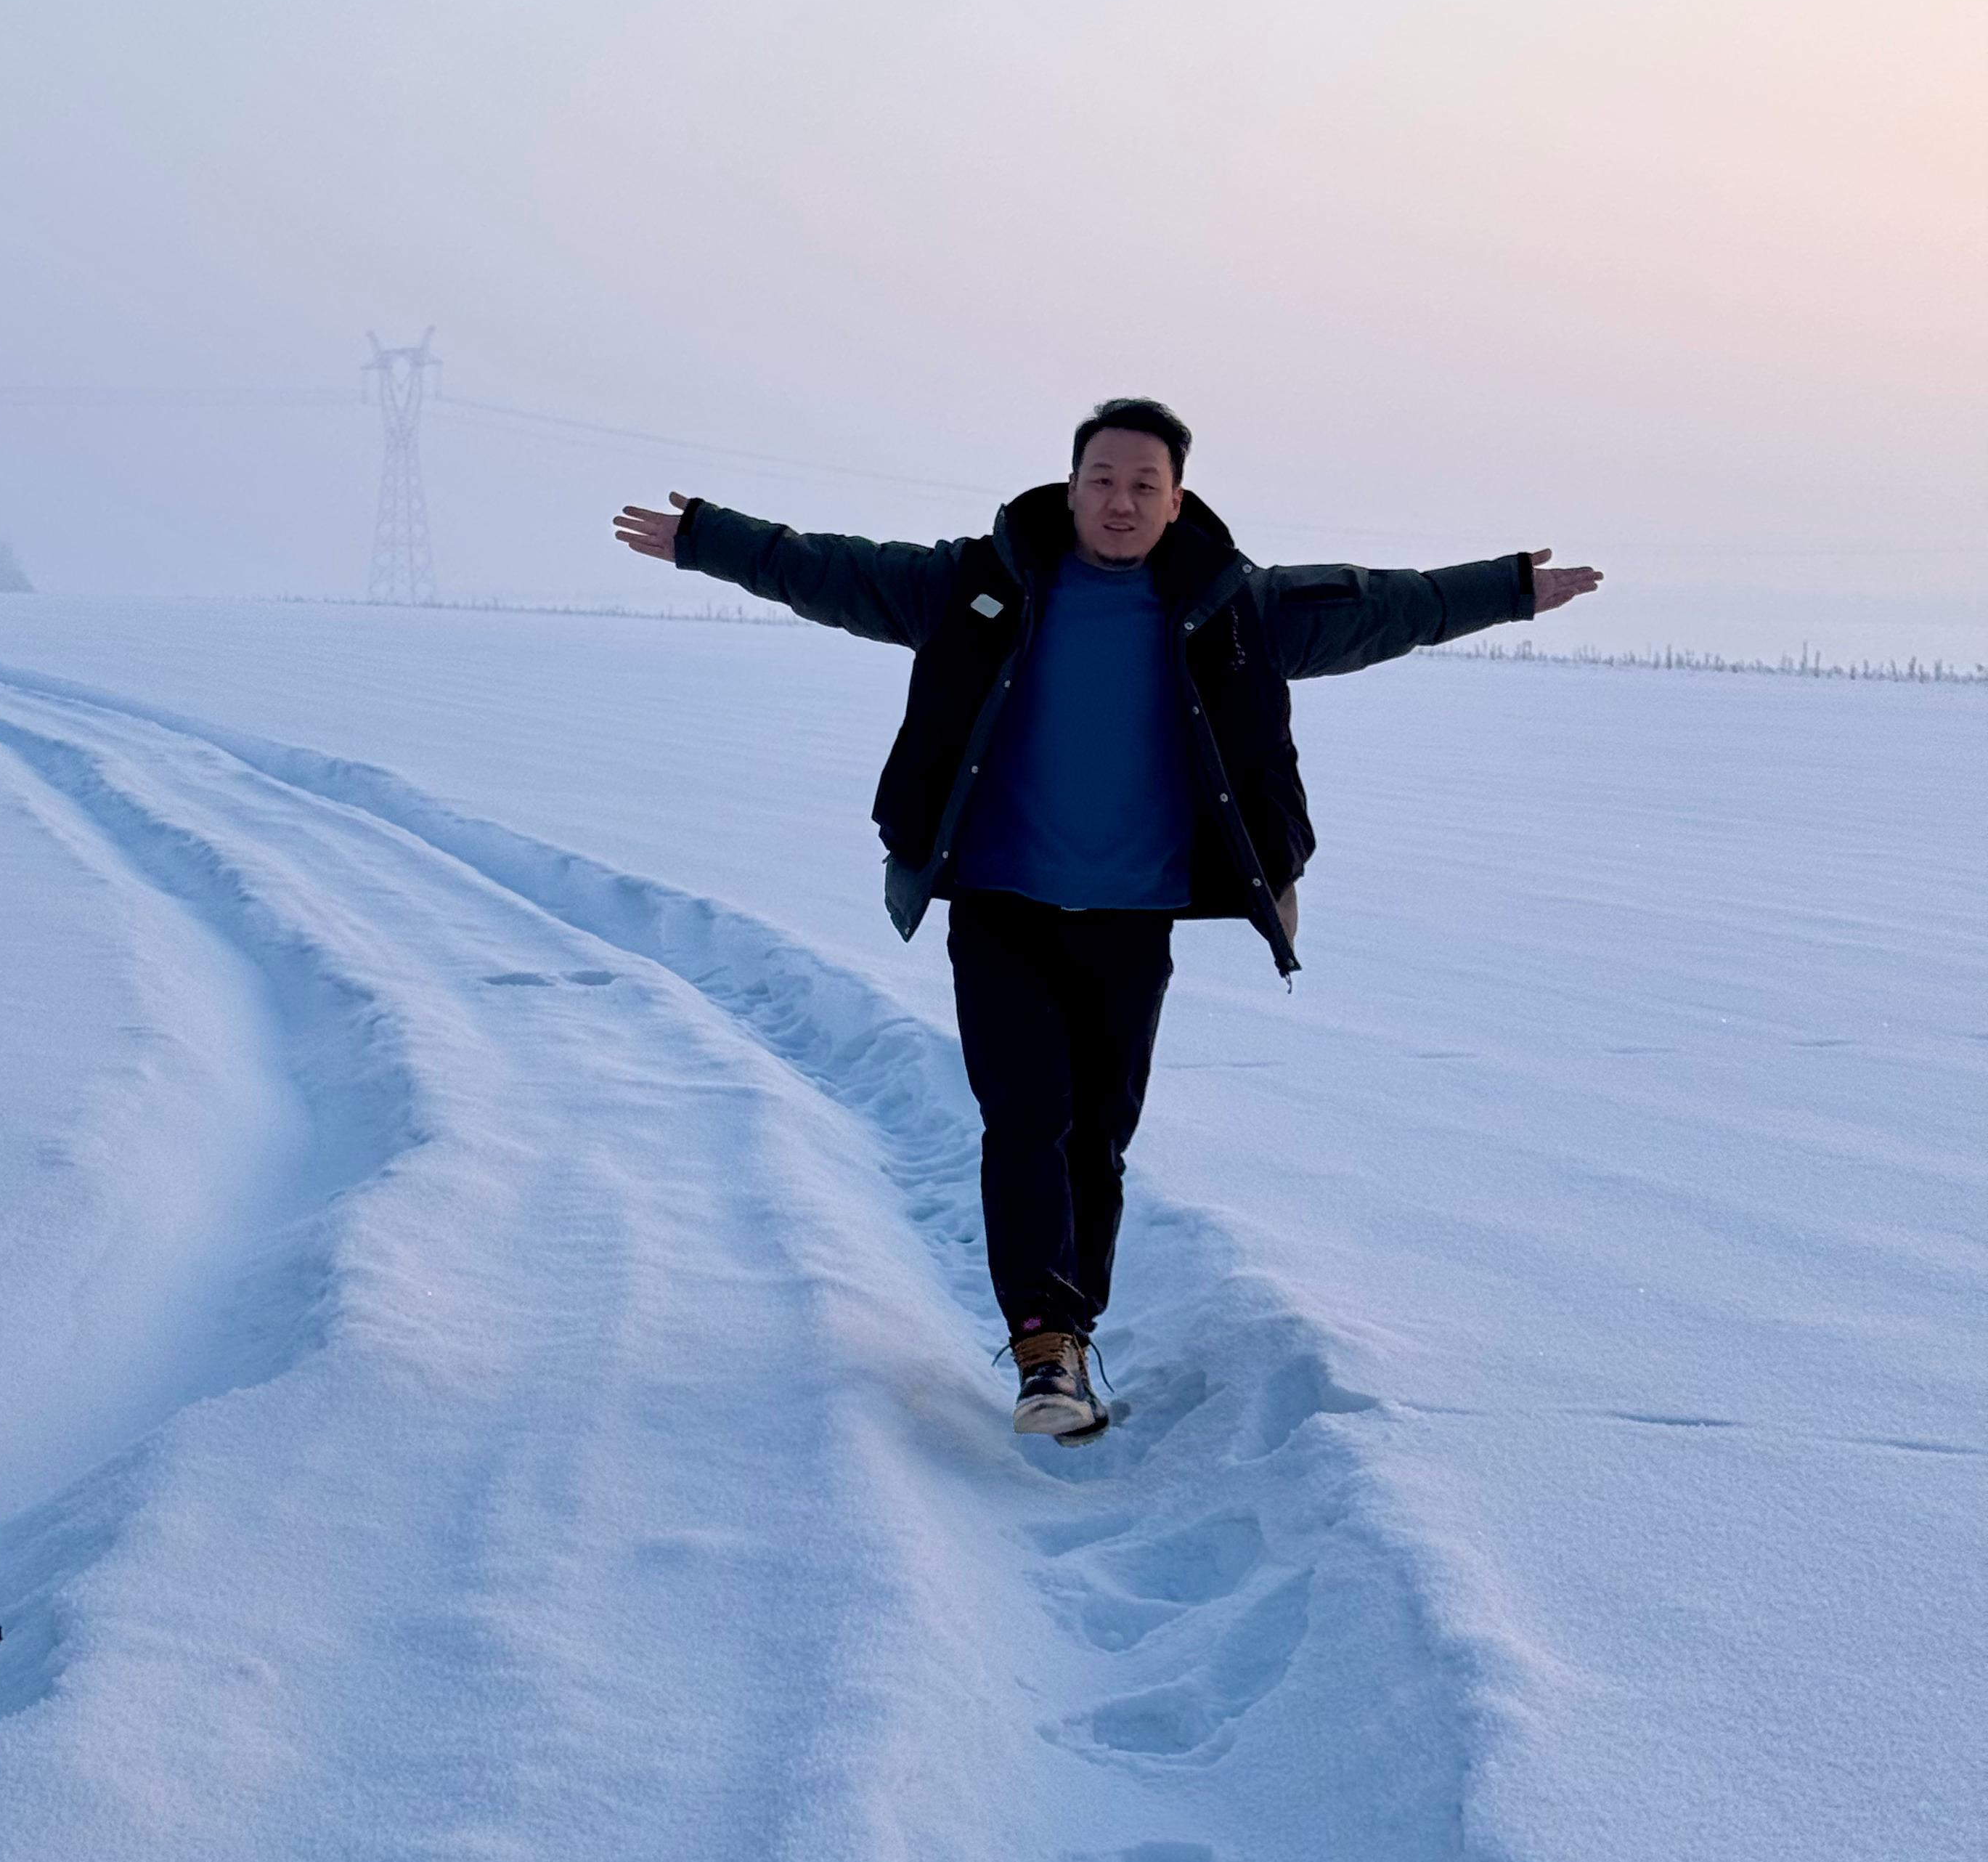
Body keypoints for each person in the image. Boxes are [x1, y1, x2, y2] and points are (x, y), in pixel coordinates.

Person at [615, 397, 1601, 1444]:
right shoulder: (980, 584)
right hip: (1001, 902)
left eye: (1143, 485)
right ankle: (1045, 1347)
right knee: (1027, 1116)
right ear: (1071, 484)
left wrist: (1509, 590)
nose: (1120, 502)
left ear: (1176, 501)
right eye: (1102, 480)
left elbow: (1381, 605)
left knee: (1099, 1136)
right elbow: (834, 570)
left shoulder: (1233, 607)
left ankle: (1072, 1336)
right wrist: (710, 541)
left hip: (1133, 917)